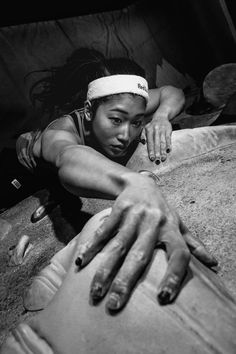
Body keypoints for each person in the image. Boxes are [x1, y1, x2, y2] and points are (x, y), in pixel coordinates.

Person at [16, 47, 217, 311]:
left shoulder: (130, 102)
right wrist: (135, 183)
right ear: (89, 111)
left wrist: (160, 116)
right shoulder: (60, 132)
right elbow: (68, 158)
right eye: (116, 119)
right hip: (21, 174)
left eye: (136, 122)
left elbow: (171, 92)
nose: (126, 134)